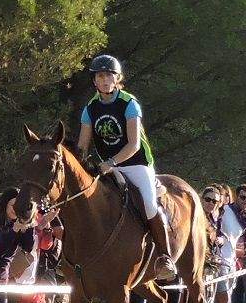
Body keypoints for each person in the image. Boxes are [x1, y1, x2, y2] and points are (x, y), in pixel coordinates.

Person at [76, 53, 177, 280]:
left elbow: (133, 145)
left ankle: (165, 256)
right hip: (108, 167)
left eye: (108, 76)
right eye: (100, 76)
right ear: (94, 81)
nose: (104, 80)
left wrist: (111, 163)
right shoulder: (90, 108)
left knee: (149, 205)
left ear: (117, 78)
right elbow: (82, 145)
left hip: (136, 163)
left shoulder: (129, 104)